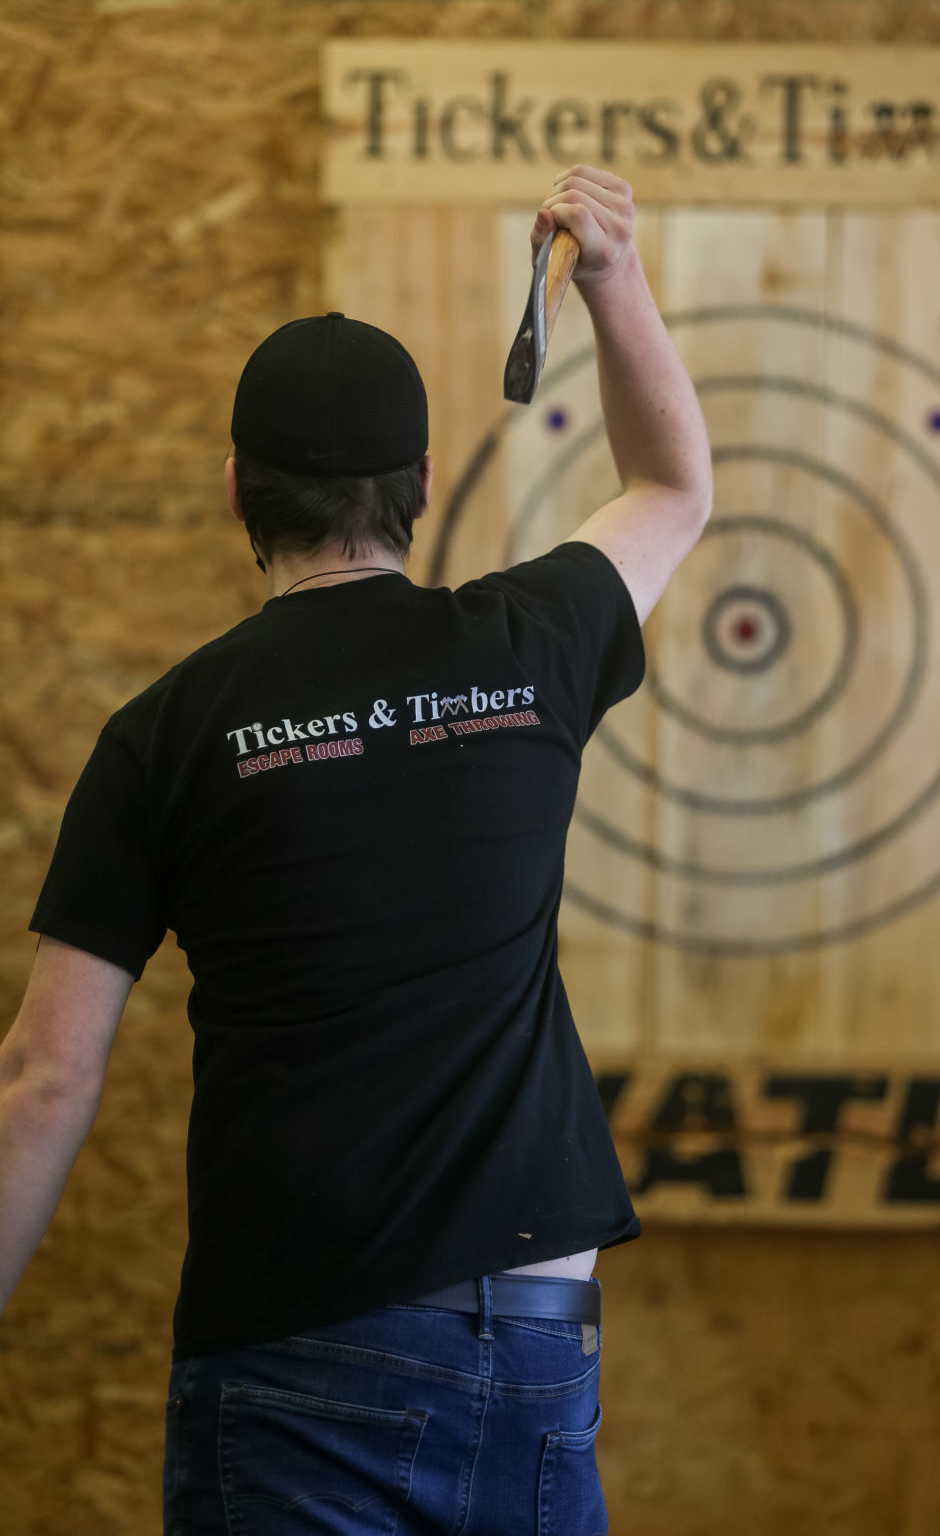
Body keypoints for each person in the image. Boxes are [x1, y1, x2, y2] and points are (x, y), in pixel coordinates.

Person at [0, 164, 712, 1534]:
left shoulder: (164, 735)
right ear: (426, 485)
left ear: (234, 493)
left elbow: (44, 1074)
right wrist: (611, 276)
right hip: (537, 1342)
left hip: (296, 1353)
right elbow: (674, 484)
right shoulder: (530, 644)